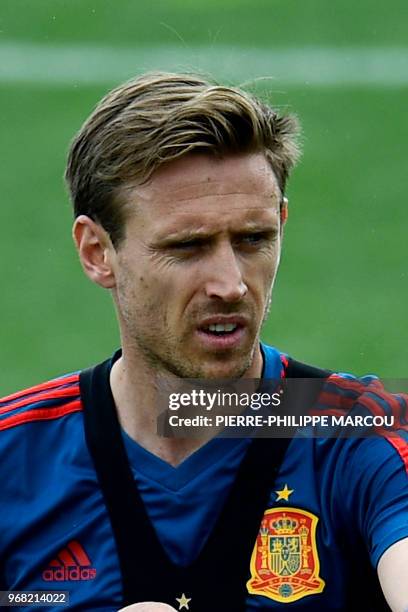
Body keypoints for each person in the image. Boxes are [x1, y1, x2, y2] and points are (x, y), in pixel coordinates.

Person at [0, 72, 407, 612]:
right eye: (188, 246)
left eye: (253, 239)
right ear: (98, 252)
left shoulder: (362, 435)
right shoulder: (13, 460)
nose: (231, 283)